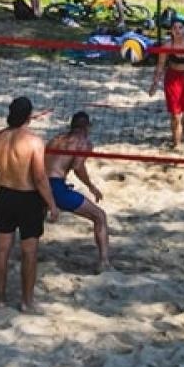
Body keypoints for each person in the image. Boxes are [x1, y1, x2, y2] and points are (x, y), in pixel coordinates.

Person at [0, 96, 59, 311]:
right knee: (29, 252)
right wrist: (52, 204)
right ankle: (26, 301)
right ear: (29, 116)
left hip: (5, 195)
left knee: (2, 249)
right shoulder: (34, 141)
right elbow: (39, 178)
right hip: (28, 199)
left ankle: (0, 298)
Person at [45, 111, 110, 272]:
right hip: (56, 188)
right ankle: (104, 262)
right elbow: (78, 167)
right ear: (87, 127)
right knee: (100, 216)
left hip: (38, 185)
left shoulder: (55, 139)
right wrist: (91, 186)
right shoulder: (83, 143)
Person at [149, 18, 184, 148]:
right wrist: (154, 84)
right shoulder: (167, 46)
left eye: (180, 28)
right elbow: (160, 66)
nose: (177, 30)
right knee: (175, 114)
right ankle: (177, 144)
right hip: (173, 78)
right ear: (171, 31)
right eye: (175, 28)